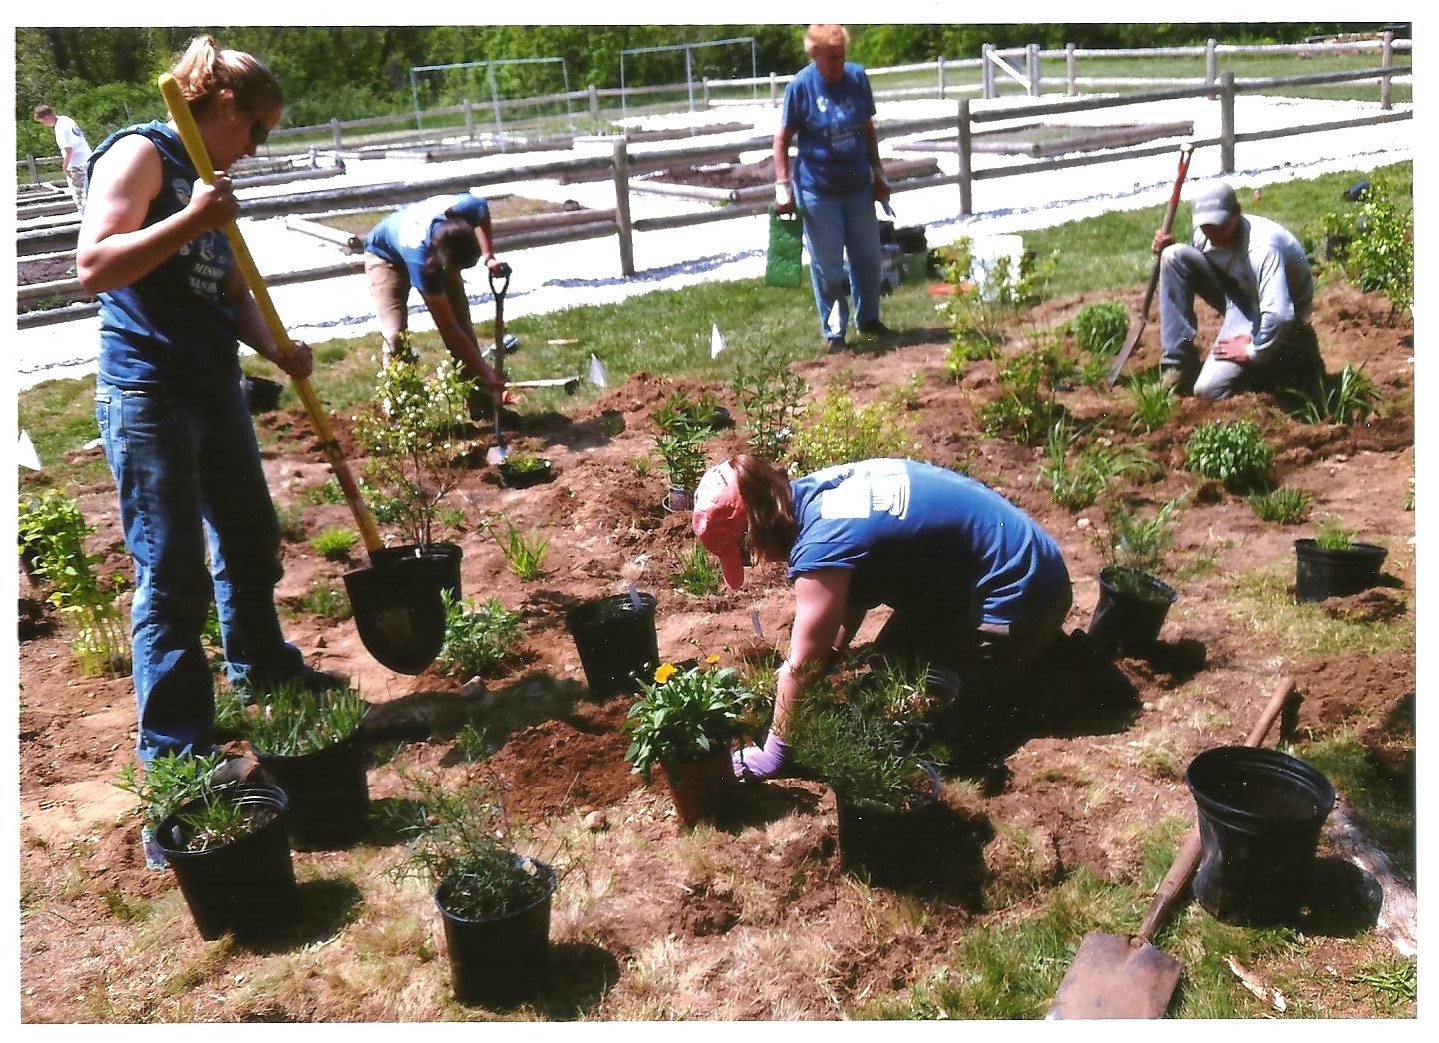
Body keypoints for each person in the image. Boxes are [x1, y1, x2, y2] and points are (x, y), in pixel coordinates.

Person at [76, 35, 344, 766]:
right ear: (224, 103)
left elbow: (231, 295)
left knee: (252, 538)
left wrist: (276, 349)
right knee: (172, 576)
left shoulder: (207, 177)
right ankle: (177, 752)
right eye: (256, 129)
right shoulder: (142, 154)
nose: (255, 148)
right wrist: (191, 218)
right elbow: (94, 265)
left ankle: (261, 669)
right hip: (149, 393)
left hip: (215, 386)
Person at [693, 455, 1073, 780]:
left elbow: (802, 664)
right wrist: (833, 654)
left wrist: (775, 753)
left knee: (927, 722)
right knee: (886, 672)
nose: (757, 563)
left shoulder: (822, 542)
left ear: (756, 528)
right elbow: (853, 593)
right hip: (982, 570)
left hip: (1025, 590)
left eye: (745, 556)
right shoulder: (812, 493)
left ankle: (1051, 671)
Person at [774, 24, 892, 353]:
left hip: (857, 185)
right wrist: (783, 185)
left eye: (841, 57)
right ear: (815, 56)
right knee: (827, 266)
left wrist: (878, 172)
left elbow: (867, 130)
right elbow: (782, 139)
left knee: (867, 257)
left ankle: (868, 317)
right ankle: (835, 332)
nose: (838, 64)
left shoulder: (857, 78)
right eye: (831, 59)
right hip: (818, 189)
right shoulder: (801, 86)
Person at [1154, 180, 1321, 400]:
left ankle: (1282, 355)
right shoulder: (1204, 234)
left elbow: (1280, 314)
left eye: (1220, 226)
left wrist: (1253, 351)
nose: (1213, 234)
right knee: (1173, 256)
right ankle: (1179, 364)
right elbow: (1195, 267)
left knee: (1207, 390)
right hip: (1239, 293)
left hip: (1277, 314)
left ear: (1237, 213)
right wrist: (1166, 247)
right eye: (1207, 227)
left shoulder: (1263, 248)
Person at [364, 193, 514, 417]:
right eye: (455, 270)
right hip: (385, 256)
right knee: (396, 336)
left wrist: (488, 256)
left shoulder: (470, 208)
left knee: (463, 325)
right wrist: (487, 371)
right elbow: (449, 329)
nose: (457, 275)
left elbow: (483, 217)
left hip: (436, 249)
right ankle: (401, 413)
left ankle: (482, 405)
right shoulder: (420, 258)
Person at [33, 103, 93, 214]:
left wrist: (65, 167)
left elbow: (68, 150)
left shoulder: (59, 128)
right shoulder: (66, 119)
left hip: (76, 165)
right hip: (87, 160)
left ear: (47, 117)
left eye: (43, 121)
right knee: (91, 192)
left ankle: (86, 218)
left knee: (80, 197)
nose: (44, 124)